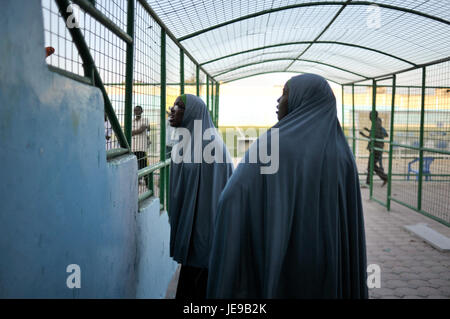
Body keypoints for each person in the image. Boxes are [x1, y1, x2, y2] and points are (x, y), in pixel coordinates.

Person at [207, 74, 368, 299]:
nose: (278, 101)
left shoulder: (273, 144)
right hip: (328, 266)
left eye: (285, 94)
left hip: (283, 263)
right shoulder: (343, 153)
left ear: (303, 100)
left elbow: (231, 198)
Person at [168, 94, 233, 300]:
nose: (172, 109)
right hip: (194, 235)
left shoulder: (209, 146)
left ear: (193, 113)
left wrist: (199, 240)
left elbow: (211, 201)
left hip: (204, 237)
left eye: (179, 106)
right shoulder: (189, 141)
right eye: (174, 105)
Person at [359, 111, 388, 186]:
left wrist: (363, 135)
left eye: (370, 115)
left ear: (373, 116)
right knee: (371, 165)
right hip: (376, 148)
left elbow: (372, 137)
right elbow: (375, 133)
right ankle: (372, 181)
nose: (369, 117)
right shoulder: (377, 122)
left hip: (376, 148)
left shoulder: (376, 124)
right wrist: (368, 130)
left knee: (371, 165)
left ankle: (384, 178)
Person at [132, 105, 150, 186]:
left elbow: (141, 130)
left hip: (141, 147)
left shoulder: (145, 120)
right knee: (134, 167)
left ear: (142, 111)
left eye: (138, 110)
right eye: (135, 110)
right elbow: (131, 132)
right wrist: (137, 131)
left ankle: (148, 184)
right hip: (133, 147)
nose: (136, 112)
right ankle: (135, 183)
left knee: (144, 166)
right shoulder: (132, 121)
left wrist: (133, 132)